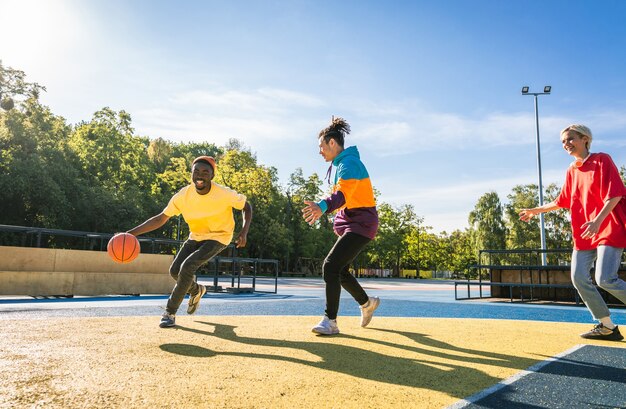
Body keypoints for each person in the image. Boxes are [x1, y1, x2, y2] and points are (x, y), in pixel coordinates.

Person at [519, 124, 626, 341]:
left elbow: (615, 194)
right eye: (563, 142)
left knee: (605, 278)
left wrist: (597, 220)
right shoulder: (572, 170)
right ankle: (607, 326)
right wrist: (535, 210)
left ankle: (606, 326)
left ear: (585, 139)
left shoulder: (601, 159)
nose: (566, 144)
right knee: (578, 278)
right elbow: (562, 201)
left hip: (607, 226)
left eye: (570, 139)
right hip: (585, 232)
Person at [127, 156, 252, 328]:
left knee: (188, 266)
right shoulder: (183, 196)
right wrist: (130, 234)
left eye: (205, 172)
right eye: (196, 171)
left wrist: (244, 232)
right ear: (192, 174)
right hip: (196, 236)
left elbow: (247, 206)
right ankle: (196, 290)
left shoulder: (223, 193)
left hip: (219, 236)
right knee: (175, 271)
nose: (200, 175)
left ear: (212, 176)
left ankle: (169, 313)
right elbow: (161, 218)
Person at [302, 116, 380, 335]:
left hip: (361, 222)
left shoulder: (349, 163)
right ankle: (367, 303)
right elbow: (342, 196)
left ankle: (330, 321)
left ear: (332, 143)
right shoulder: (341, 164)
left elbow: (342, 195)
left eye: (321, 146)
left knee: (330, 265)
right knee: (341, 270)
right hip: (353, 222)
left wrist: (322, 206)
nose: (320, 151)